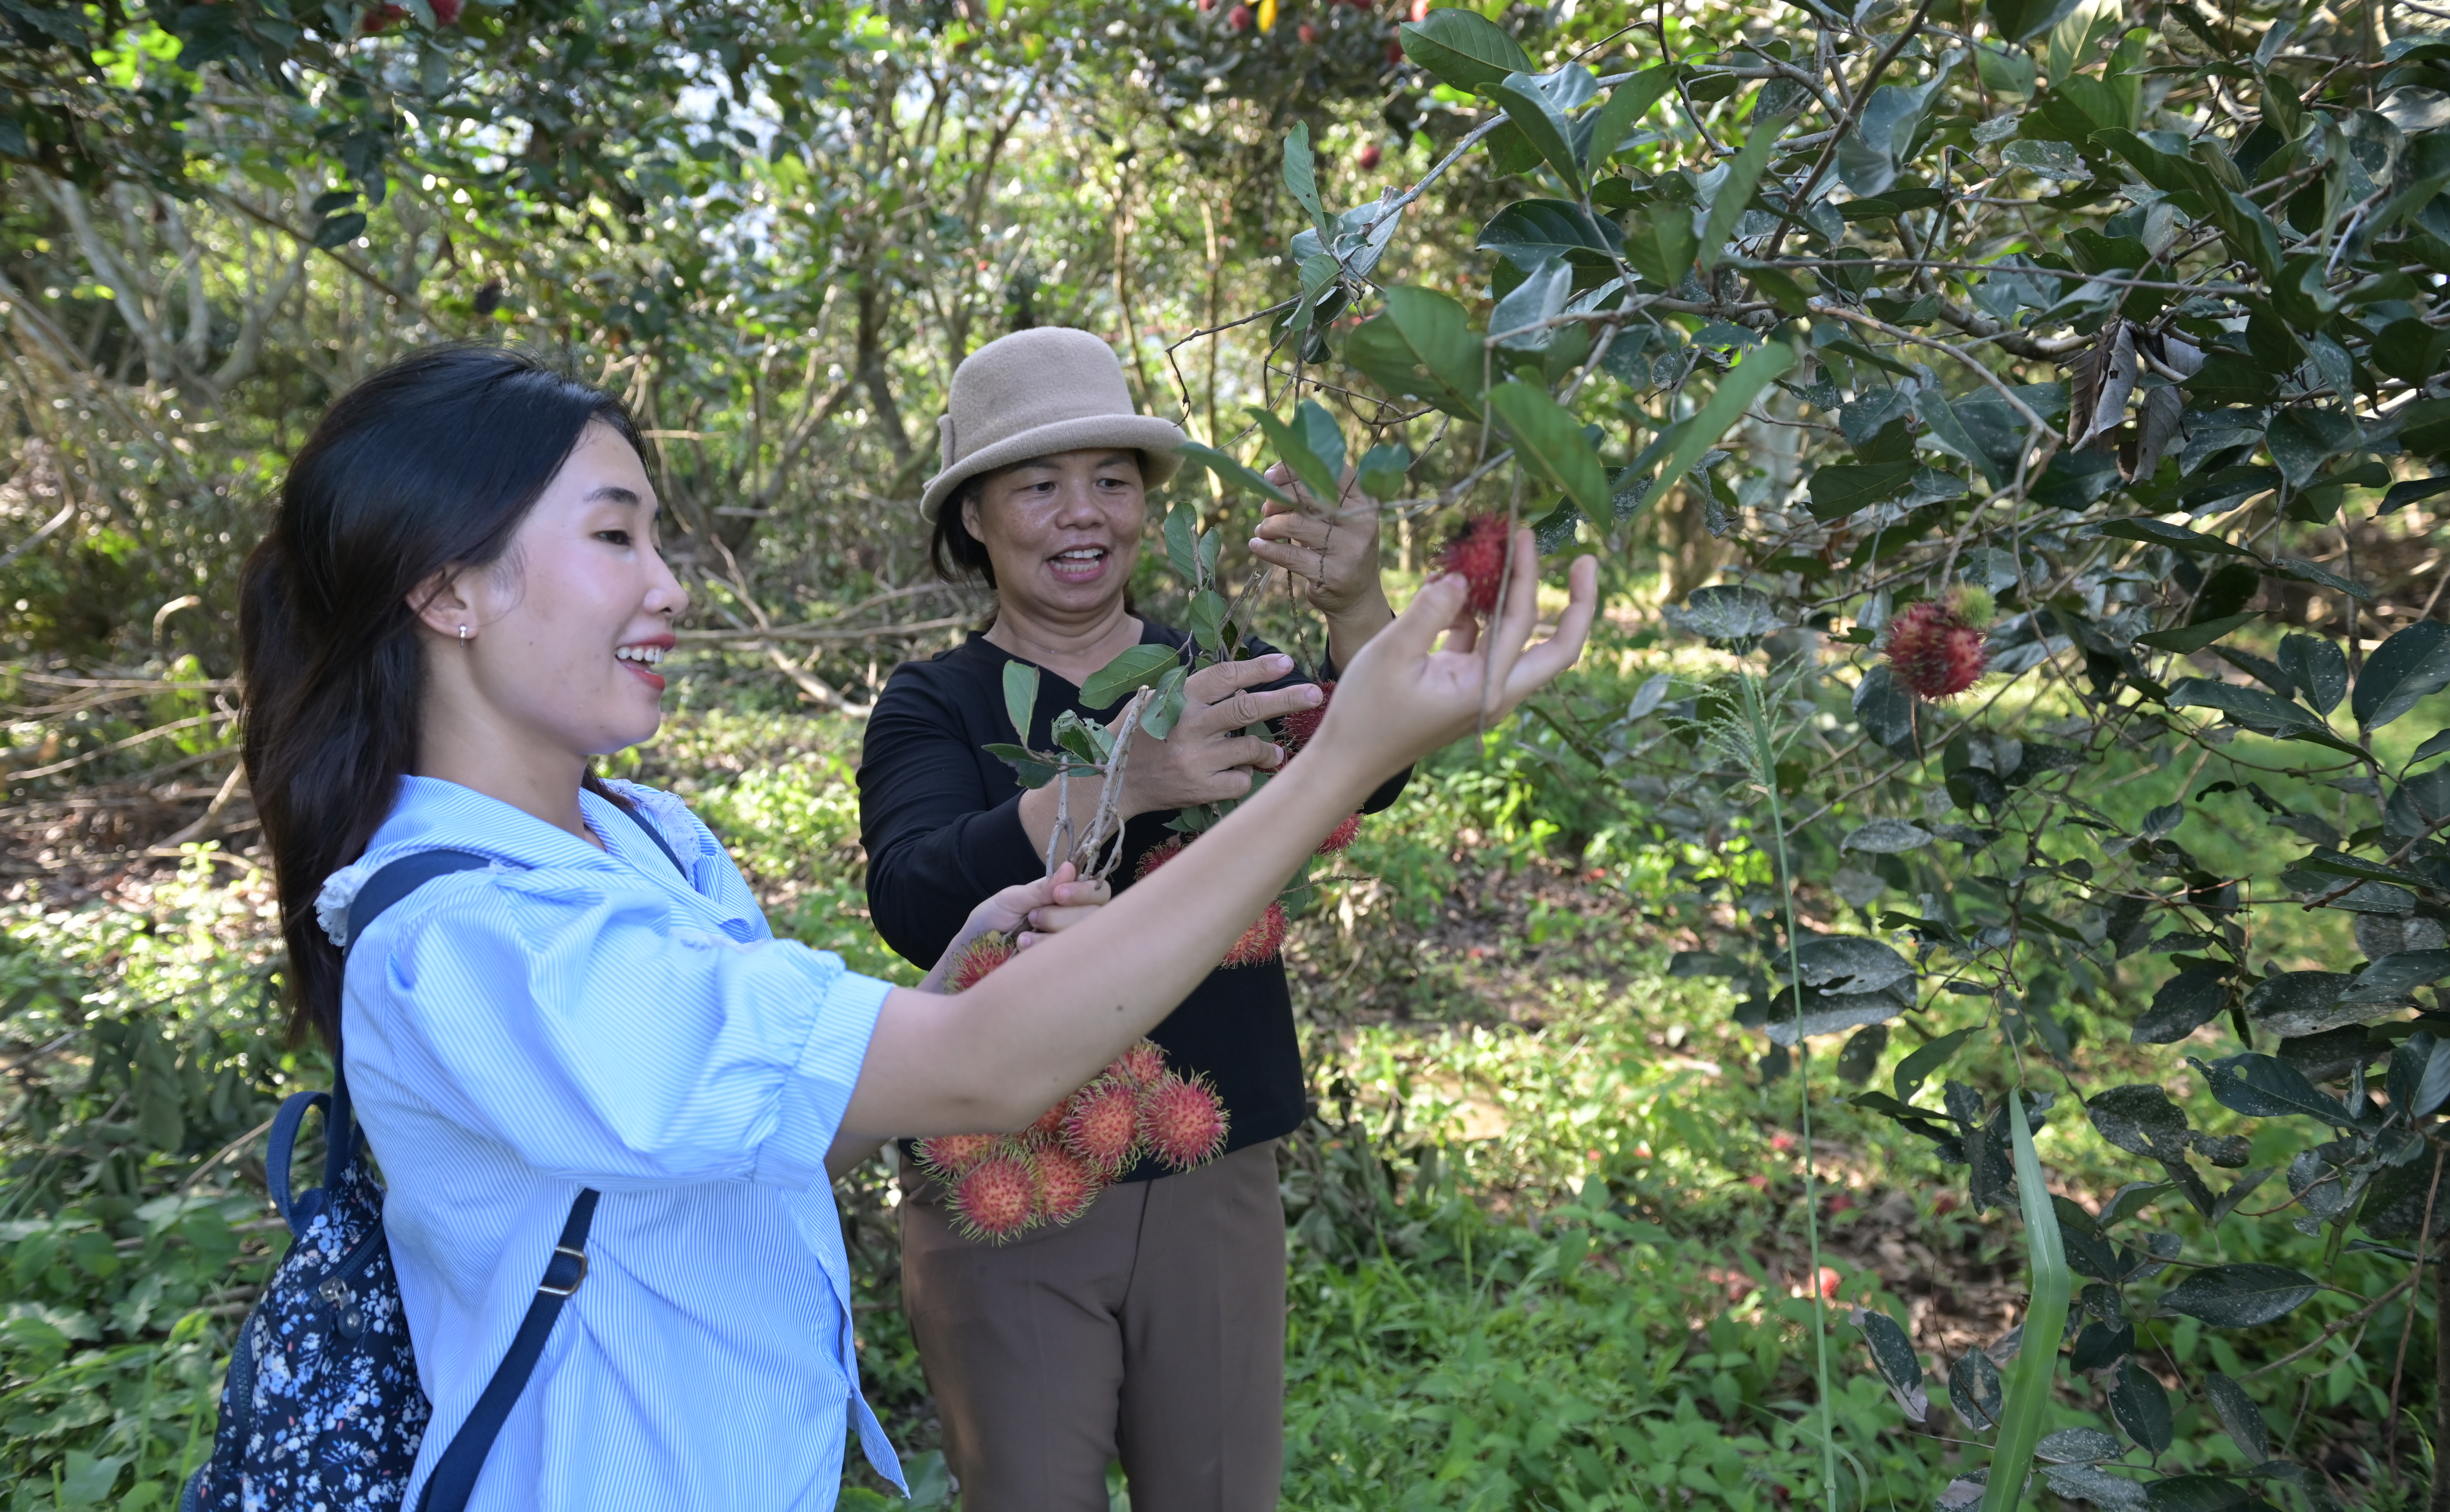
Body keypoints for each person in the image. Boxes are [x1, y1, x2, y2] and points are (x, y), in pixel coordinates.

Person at [237, 344, 1596, 1511]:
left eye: (1113, 479)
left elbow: (775, 1125)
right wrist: (1294, 771)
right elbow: (975, 1052)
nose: (671, 586)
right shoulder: (481, 939)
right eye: (615, 537)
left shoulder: (649, 839)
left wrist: (960, 977)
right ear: (448, 589)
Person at [856, 326, 1405, 1512]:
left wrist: (1361, 604)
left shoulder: (1211, 670)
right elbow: (913, 893)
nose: (1081, 515)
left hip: (1213, 1167)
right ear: (975, 522)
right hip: (1007, 1168)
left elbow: (1372, 758)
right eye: (1039, 486)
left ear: (1148, 509)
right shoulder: (933, 706)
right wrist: (1121, 778)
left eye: (1111, 481)